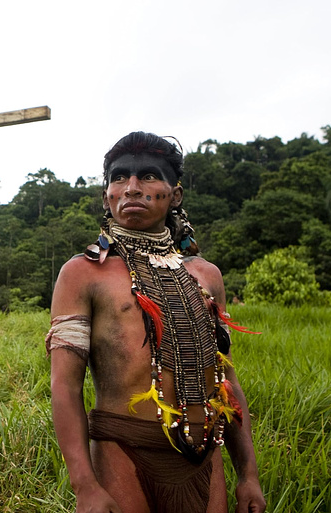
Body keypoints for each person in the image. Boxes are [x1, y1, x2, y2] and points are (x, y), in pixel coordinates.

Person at [47, 132, 266, 513]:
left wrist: (248, 475)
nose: (132, 187)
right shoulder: (83, 273)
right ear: (106, 196)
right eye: (119, 178)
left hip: (203, 453)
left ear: (175, 194)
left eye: (148, 176)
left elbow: (226, 381)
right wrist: (85, 485)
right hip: (123, 451)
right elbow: (65, 386)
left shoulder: (207, 275)